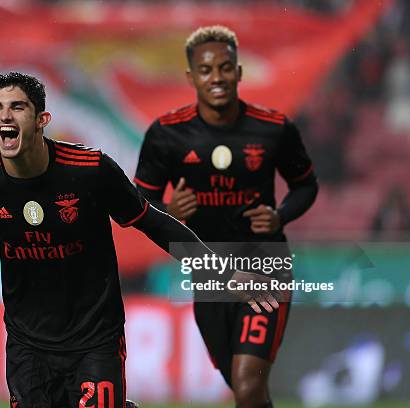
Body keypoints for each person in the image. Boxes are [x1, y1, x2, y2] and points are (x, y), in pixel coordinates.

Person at [0, 72, 278, 408]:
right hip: (27, 343)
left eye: (18, 107)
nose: (6, 116)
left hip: (94, 338)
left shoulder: (90, 169)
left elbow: (151, 221)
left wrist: (216, 270)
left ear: (42, 119)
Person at [134, 26, 319, 408]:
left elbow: (306, 185)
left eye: (225, 67)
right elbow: (139, 205)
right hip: (210, 275)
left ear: (239, 72)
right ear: (191, 77)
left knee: (248, 385)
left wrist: (280, 216)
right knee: (245, 392)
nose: (216, 77)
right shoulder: (166, 135)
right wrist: (169, 210)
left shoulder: (273, 129)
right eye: (206, 70)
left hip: (265, 266)